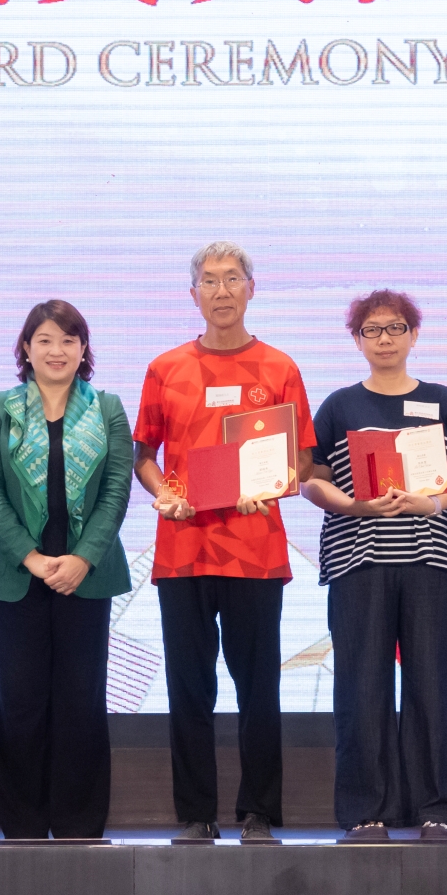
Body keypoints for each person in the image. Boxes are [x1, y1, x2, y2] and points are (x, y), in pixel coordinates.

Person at [133, 240, 316, 845]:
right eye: (208, 281)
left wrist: (271, 487)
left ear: (251, 289)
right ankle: (196, 814)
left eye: (232, 279)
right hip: (182, 548)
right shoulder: (165, 369)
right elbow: (144, 457)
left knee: (257, 684)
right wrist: (165, 493)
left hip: (255, 550)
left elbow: (303, 461)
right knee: (189, 685)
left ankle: (259, 811)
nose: (220, 291)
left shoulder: (280, 367)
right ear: (193, 295)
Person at [301, 289, 447, 844]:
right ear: (357, 339)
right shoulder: (338, 405)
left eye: (395, 328)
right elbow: (308, 479)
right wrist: (353, 504)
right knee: (361, 686)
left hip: (433, 558)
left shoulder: (443, 400)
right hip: (359, 559)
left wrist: (433, 502)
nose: (384, 339)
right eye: (372, 330)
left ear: (414, 335)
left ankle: (436, 807)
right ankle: (364, 808)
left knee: (434, 683)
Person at [0, 299, 135, 841]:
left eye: (68, 340)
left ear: (83, 349)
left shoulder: (107, 409)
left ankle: (81, 823)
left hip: (86, 574)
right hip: (17, 574)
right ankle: (21, 824)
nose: (56, 350)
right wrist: (32, 557)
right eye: (44, 339)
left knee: (81, 700)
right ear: (25, 349)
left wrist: (83, 557)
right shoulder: (1, 406)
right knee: (18, 701)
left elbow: (116, 491)